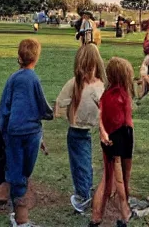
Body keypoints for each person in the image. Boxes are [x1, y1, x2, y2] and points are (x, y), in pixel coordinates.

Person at [0, 39, 53, 227]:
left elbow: (4, 106)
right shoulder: (34, 79)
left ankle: (16, 208)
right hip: (30, 132)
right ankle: (21, 220)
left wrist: (2, 130)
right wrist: (51, 113)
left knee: (17, 170)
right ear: (36, 57)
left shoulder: (13, 79)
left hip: (14, 131)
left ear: (19, 56)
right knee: (23, 172)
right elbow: (42, 105)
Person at [55, 44, 105, 214]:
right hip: (78, 131)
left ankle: (84, 195)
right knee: (83, 164)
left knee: (82, 164)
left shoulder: (89, 85)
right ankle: (85, 192)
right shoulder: (82, 84)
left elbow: (59, 104)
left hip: (85, 131)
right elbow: (60, 104)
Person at [89, 58, 136, 227]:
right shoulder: (120, 95)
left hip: (111, 138)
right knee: (120, 178)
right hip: (120, 137)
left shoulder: (106, 95)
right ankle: (124, 212)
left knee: (109, 178)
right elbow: (121, 121)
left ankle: (97, 216)